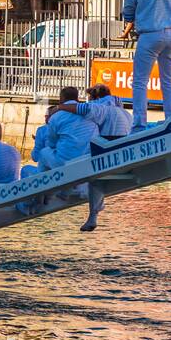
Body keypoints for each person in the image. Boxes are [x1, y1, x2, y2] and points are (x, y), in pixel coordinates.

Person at [53, 85, 131, 231]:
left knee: (93, 176)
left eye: (89, 98)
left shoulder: (100, 107)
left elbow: (82, 109)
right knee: (95, 179)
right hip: (122, 149)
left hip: (108, 147)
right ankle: (89, 210)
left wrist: (60, 108)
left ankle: (74, 192)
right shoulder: (124, 111)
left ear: (95, 98)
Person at [122, 0, 171, 131]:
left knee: (140, 81)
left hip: (149, 34)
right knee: (168, 80)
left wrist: (133, 17)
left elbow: (128, 11)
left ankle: (139, 123)